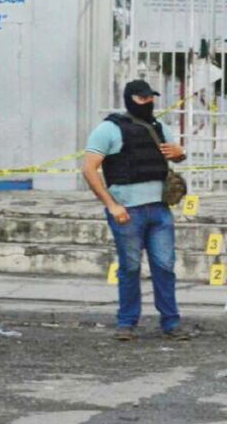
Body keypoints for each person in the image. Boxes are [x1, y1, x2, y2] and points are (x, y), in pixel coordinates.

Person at [82, 80, 192, 342]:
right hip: (127, 212)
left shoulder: (159, 127)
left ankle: (171, 323)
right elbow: (89, 169)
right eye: (142, 99)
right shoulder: (108, 129)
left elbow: (173, 157)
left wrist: (180, 153)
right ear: (130, 99)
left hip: (159, 210)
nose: (148, 103)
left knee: (165, 266)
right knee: (130, 267)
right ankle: (126, 322)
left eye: (150, 98)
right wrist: (111, 205)